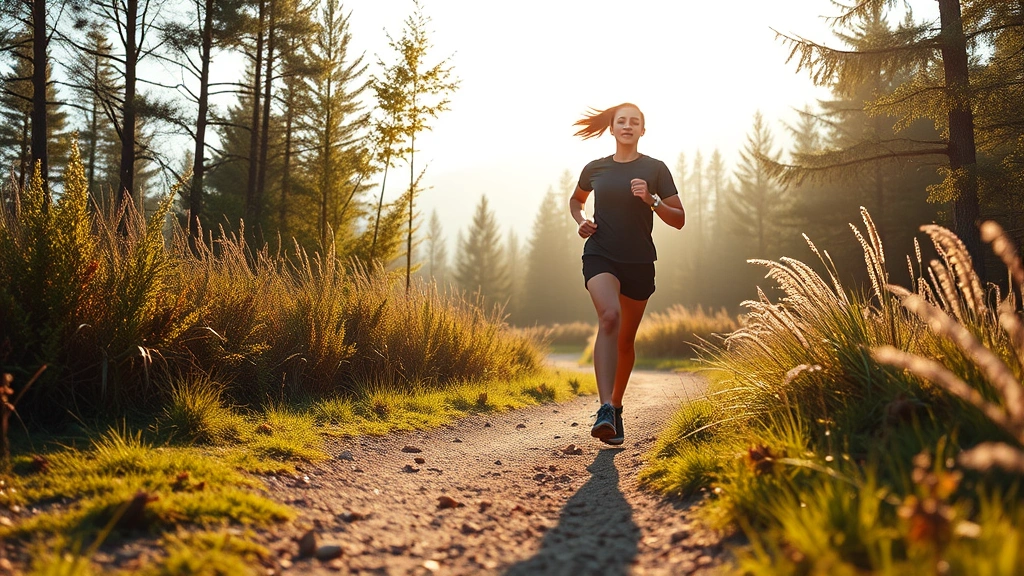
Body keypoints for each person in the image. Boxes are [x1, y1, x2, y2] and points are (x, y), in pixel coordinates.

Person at [569, 103, 685, 445]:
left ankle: (616, 407)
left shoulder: (655, 169)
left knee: (625, 341)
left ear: (642, 130)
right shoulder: (595, 168)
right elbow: (576, 201)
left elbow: (679, 219)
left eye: (635, 122)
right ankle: (604, 407)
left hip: (639, 262)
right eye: (622, 121)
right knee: (609, 317)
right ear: (612, 128)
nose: (627, 126)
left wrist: (652, 200)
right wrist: (582, 221)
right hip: (600, 253)